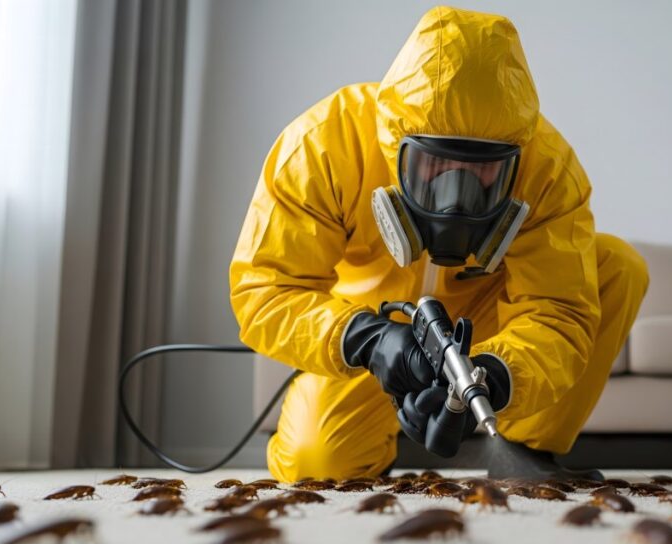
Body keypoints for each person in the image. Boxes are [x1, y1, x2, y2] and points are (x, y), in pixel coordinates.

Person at [229, 6, 648, 482]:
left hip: (487, 324)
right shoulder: (325, 144)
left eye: (482, 169)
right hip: (371, 328)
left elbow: (559, 310)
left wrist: (496, 375)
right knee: (315, 464)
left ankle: (525, 446)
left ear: (515, 155)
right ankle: (380, 440)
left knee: (618, 265)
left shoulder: (546, 168)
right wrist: (366, 339)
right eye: (435, 164)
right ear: (395, 144)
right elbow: (265, 289)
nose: (456, 195)